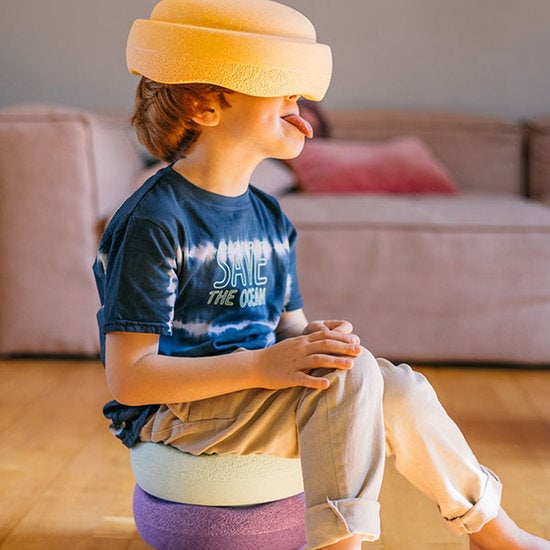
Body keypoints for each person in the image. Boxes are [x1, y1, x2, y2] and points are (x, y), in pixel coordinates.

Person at [93, 1, 550, 548]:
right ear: (204, 104)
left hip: (249, 399)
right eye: (280, 87)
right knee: (357, 381)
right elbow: (131, 378)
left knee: (393, 383)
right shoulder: (154, 221)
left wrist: (315, 343)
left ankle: (487, 528)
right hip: (173, 416)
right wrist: (265, 365)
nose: (299, 103)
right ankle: (342, 543)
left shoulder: (270, 216)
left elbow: (288, 330)